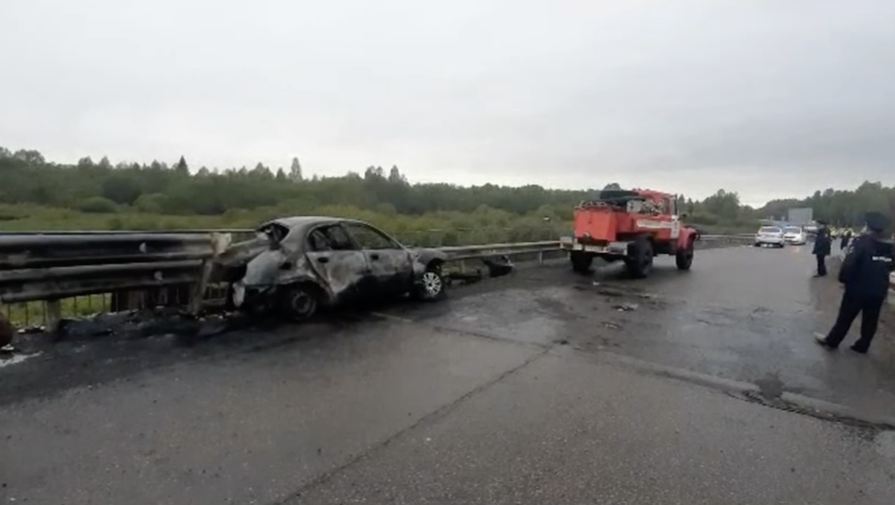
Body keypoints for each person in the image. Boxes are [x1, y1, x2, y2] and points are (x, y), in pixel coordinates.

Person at [815, 212, 894, 353]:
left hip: (858, 287)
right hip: (879, 289)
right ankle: (863, 345)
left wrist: (844, 279)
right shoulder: (890, 245)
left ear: (868, 227)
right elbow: (892, 265)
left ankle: (832, 341)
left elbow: (849, 263)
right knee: (871, 319)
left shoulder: (862, 242)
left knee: (845, 316)